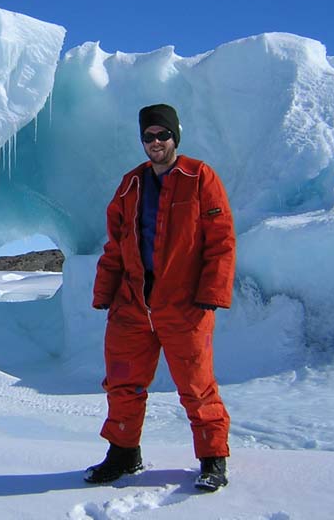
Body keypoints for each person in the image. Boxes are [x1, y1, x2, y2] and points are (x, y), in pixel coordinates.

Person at [84, 103, 236, 492]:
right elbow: (115, 245)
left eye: (162, 135)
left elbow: (221, 241)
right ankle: (123, 453)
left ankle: (213, 459)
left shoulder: (199, 176)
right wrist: (106, 293)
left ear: (175, 136)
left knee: (197, 386)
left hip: (184, 305)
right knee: (122, 382)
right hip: (133, 305)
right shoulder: (131, 184)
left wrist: (211, 293)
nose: (155, 142)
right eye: (149, 136)